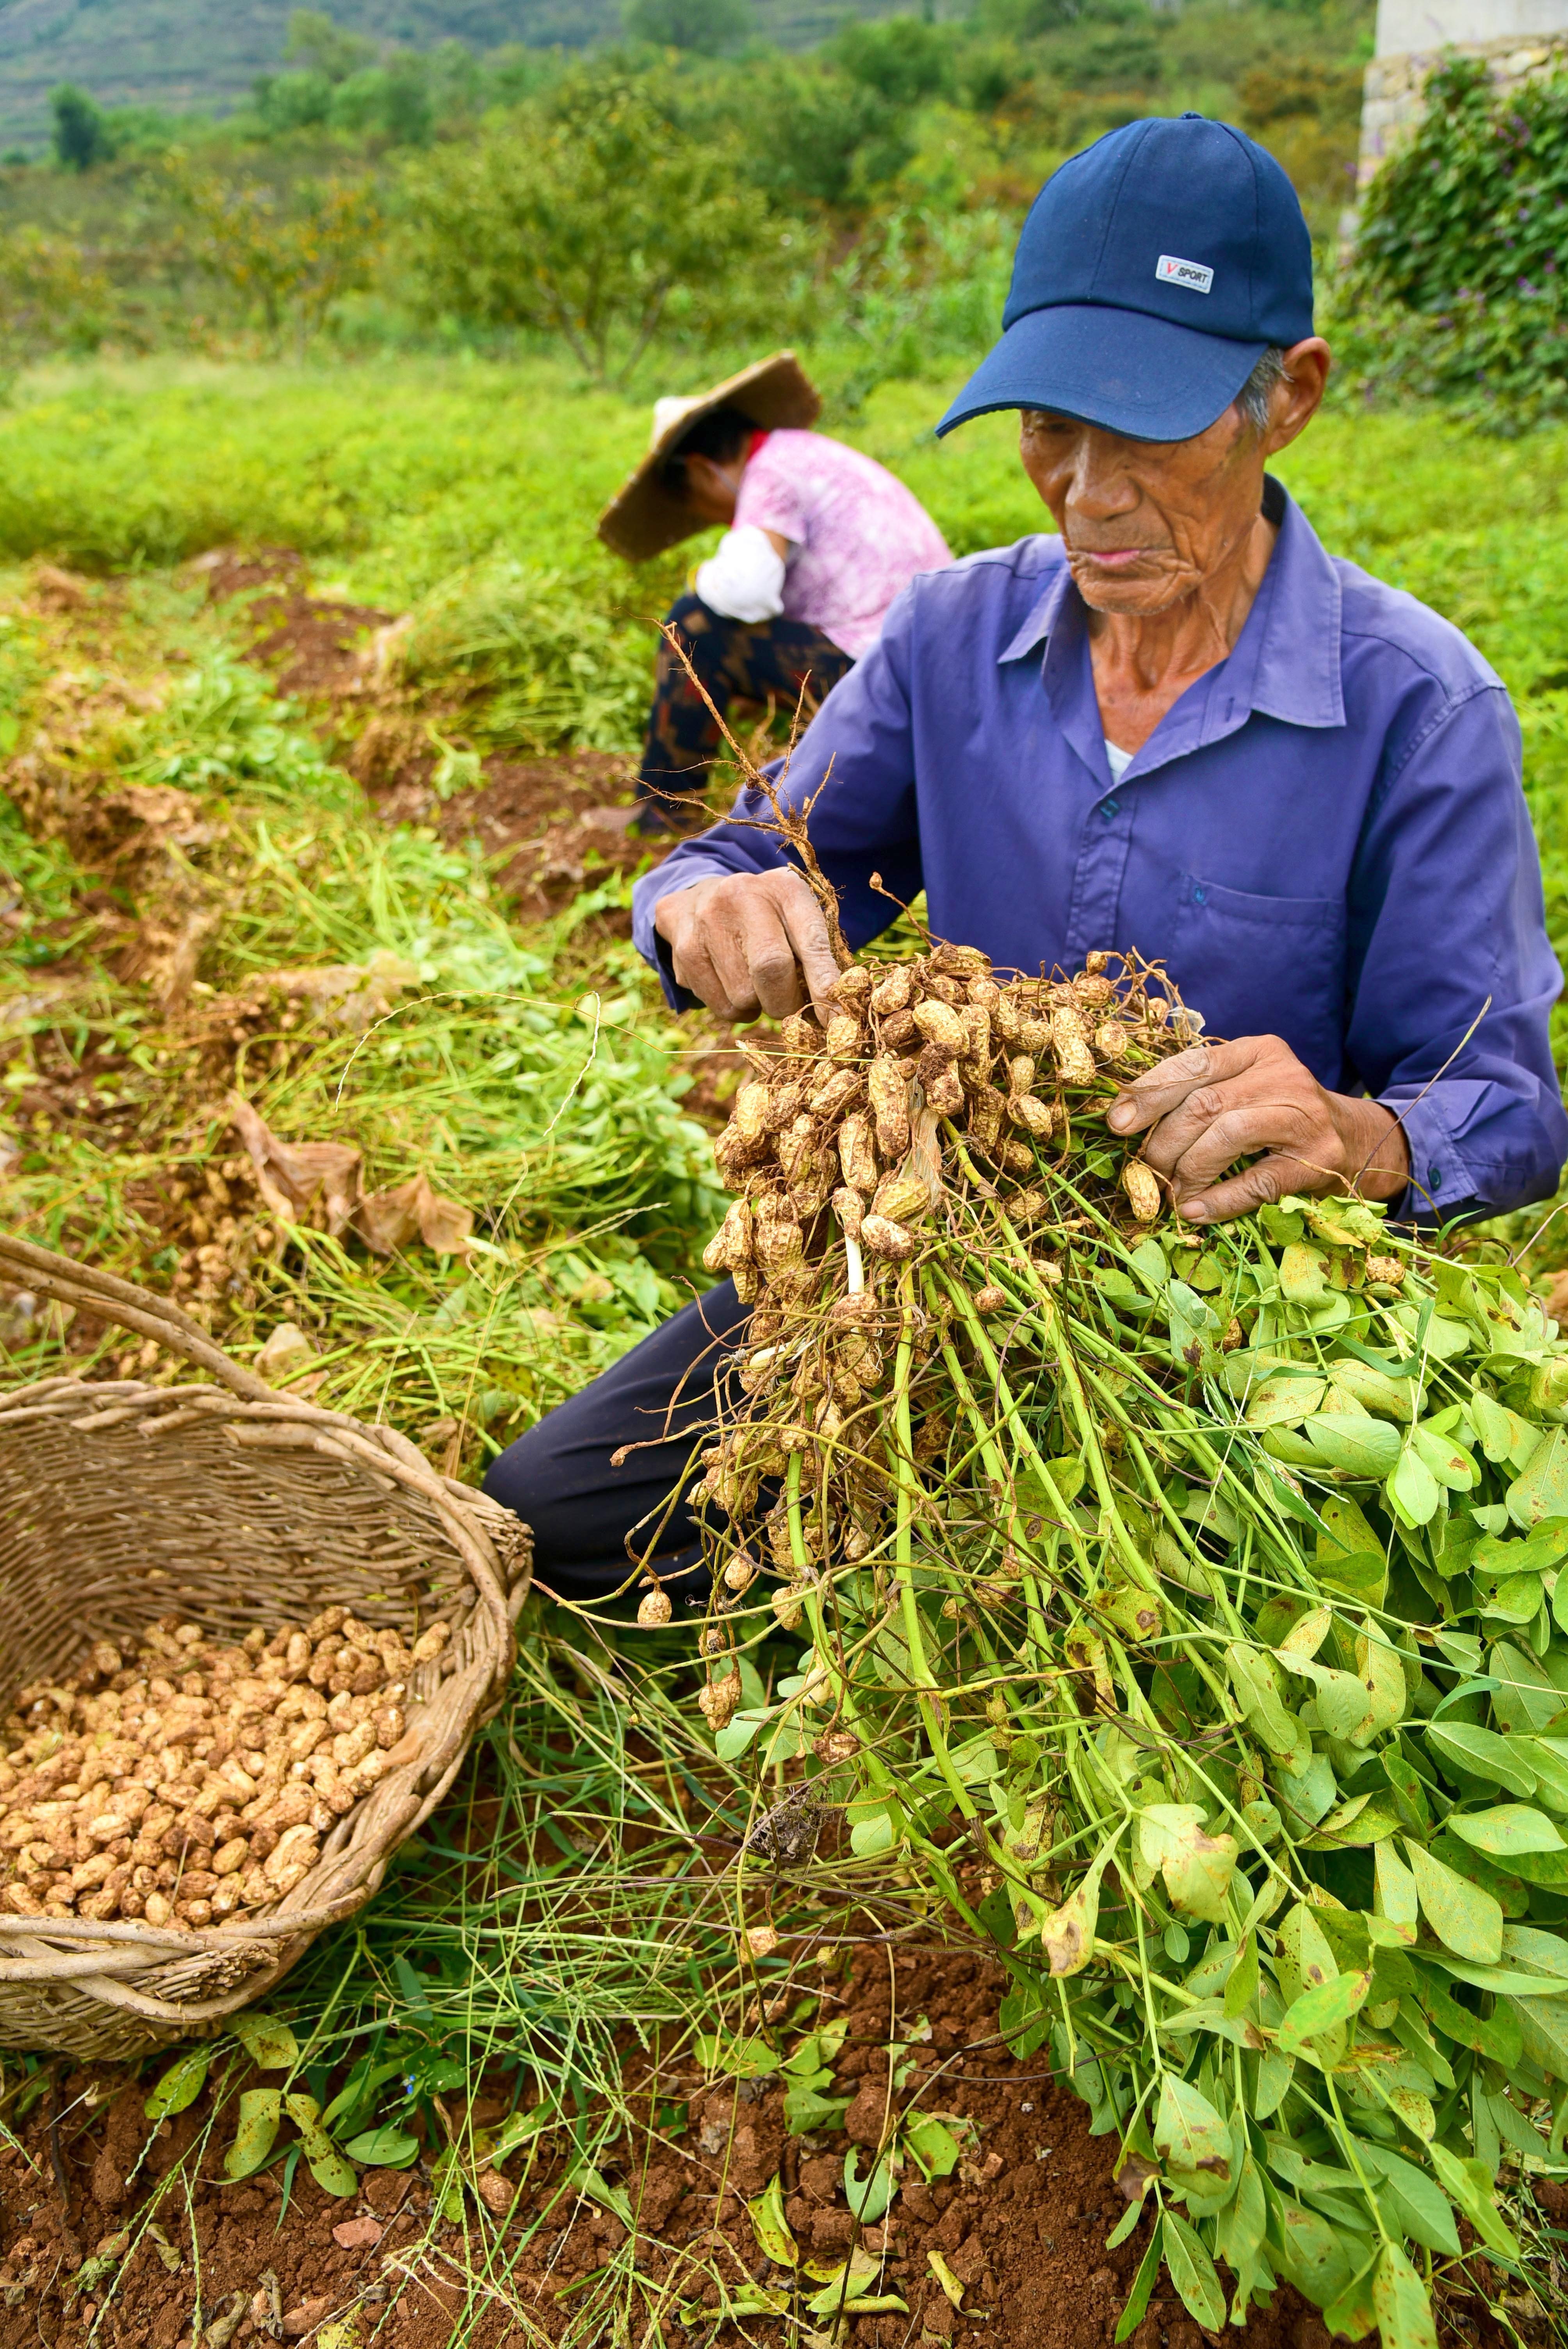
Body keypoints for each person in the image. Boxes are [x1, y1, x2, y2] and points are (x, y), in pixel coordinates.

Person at [489, 112, 1568, 1606]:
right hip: (935, 1248)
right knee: (550, 1515)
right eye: (1052, 426)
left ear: (1291, 398)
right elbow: (766, 851)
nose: (1087, 489)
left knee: (1163, 1602)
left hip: (1226, 1306)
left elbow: (1504, 1105)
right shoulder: (949, 636)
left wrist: (1357, 1132)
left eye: (1152, 430)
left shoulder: (1417, 710)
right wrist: (700, 900)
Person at [597, 351, 951, 828]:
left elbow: (747, 592)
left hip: (887, 670)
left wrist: (698, 576)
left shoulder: (769, 475)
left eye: (693, 501)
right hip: (930, 661)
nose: (708, 516)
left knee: (694, 625)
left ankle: (667, 811)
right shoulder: (800, 452)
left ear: (701, 470)